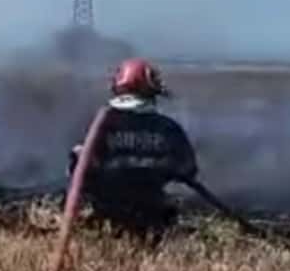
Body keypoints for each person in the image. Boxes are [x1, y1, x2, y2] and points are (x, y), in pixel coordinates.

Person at [67, 58, 198, 244]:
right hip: (153, 215)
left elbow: (79, 172)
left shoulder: (99, 124)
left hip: (106, 215)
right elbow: (188, 169)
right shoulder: (168, 128)